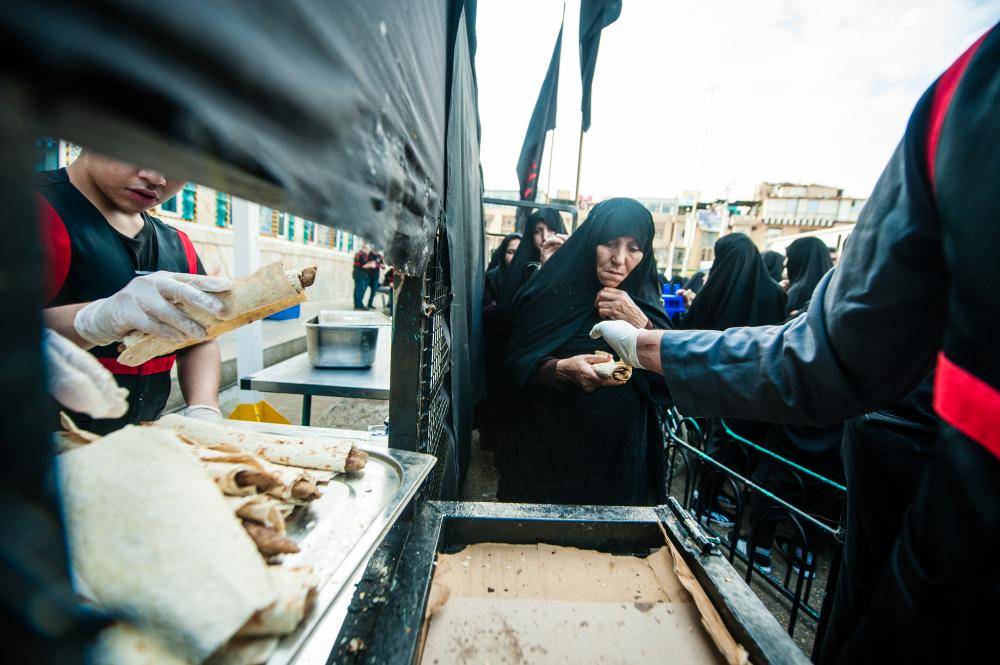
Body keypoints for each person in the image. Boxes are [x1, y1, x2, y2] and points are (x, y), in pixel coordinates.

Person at [590, 26, 1000, 664]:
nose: (621, 258)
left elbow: (827, 356)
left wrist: (648, 345)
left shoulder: (968, 101)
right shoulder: (970, 97)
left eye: (634, 246)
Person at [38, 150, 227, 434]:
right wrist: (95, 319)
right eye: (136, 148)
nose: (156, 178)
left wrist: (204, 408)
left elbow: (199, 339)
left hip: (138, 441)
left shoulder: (178, 245)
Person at [499, 198, 671, 505]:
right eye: (609, 243)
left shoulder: (645, 303)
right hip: (549, 459)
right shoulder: (548, 293)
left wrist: (639, 324)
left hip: (619, 462)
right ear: (591, 242)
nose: (619, 259)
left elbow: (671, 377)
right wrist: (561, 369)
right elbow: (515, 367)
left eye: (633, 247)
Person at [496, 207, 567, 318]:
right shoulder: (518, 268)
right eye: (537, 231)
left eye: (551, 229)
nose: (545, 237)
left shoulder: (569, 265)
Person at [784, 237, 833, 315]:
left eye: (788, 257)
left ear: (799, 258)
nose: (784, 263)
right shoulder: (833, 286)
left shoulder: (797, 292)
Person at [483, 233, 522, 306]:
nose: (516, 257)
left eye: (520, 252)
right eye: (511, 252)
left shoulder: (529, 278)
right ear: (503, 254)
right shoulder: (491, 278)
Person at [352, 242, 376, 310]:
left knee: (358, 289)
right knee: (360, 289)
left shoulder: (361, 254)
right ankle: (359, 305)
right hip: (359, 275)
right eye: (368, 250)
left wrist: (370, 263)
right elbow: (364, 265)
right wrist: (371, 265)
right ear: (365, 248)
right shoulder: (361, 254)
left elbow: (364, 263)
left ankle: (357, 305)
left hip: (359, 274)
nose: (369, 252)